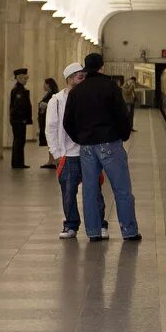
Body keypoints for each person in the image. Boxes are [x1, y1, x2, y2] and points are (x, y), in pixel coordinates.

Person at [62, 53, 141, 243]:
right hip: (110, 144)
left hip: (87, 147)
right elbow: (122, 115)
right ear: (102, 67)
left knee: (89, 190)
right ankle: (129, 231)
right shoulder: (110, 87)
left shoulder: (76, 92)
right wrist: (123, 135)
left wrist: (80, 138)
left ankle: (93, 232)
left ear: (86, 68)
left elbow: (67, 122)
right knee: (121, 189)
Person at [46, 63, 109, 240]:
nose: (83, 80)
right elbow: (50, 128)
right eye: (80, 77)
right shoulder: (56, 101)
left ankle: (100, 224)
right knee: (68, 192)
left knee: (95, 190)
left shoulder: (88, 97)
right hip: (69, 155)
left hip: (88, 152)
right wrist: (57, 153)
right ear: (70, 79)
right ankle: (71, 225)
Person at [8, 68, 32, 169]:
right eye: (23, 78)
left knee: (20, 141)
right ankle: (17, 163)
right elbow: (19, 107)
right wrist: (23, 118)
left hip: (20, 120)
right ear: (18, 78)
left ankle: (19, 162)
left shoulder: (21, 89)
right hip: (18, 121)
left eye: (26, 78)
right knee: (19, 141)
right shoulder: (18, 90)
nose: (25, 80)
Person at [37, 78, 59, 168]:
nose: (43, 86)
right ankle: (51, 160)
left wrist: (45, 106)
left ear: (49, 85)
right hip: (45, 120)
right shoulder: (48, 95)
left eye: (45, 84)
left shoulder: (53, 95)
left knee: (52, 141)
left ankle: (53, 160)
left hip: (50, 122)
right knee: (49, 141)